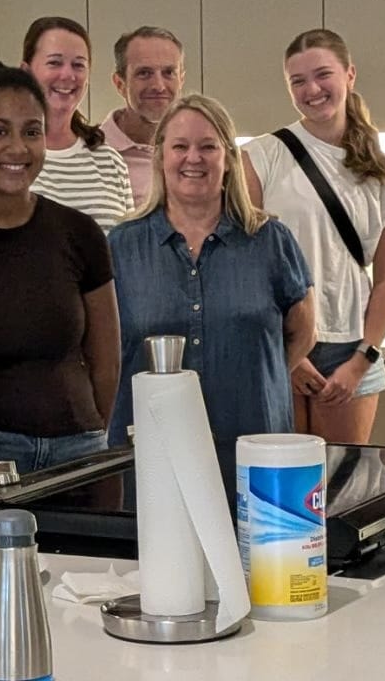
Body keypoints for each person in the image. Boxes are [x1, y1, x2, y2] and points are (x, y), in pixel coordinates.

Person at [108, 94, 315, 480]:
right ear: (160, 158)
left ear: (229, 160)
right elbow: (103, 349)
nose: (194, 158)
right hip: (153, 456)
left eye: (208, 146)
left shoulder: (270, 240)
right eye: (180, 146)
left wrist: (252, 375)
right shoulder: (122, 245)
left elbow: (303, 332)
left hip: (254, 448)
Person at [243, 29, 385, 444]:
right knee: (282, 484)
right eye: (298, 81)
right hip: (279, 343)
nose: (312, 89)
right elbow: (247, 264)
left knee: (345, 486)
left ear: (349, 75)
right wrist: (293, 353)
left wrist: (362, 359)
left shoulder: (384, 173)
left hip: (352, 347)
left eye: (323, 75)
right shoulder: (261, 156)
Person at [0, 60, 121, 472]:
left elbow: (107, 359)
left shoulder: (80, 232)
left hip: (79, 450)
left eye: (31, 131)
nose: (17, 148)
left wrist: (94, 434)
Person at [0, 16, 133, 230]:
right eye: (54, 63)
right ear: (26, 71)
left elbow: (128, 250)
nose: (68, 75)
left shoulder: (110, 162)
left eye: (78, 65)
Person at [102, 26, 187, 206]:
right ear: (119, 83)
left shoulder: (201, 151)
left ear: (182, 80)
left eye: (168, 73)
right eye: (144, 73)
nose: (158, 86)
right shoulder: (94, 153)